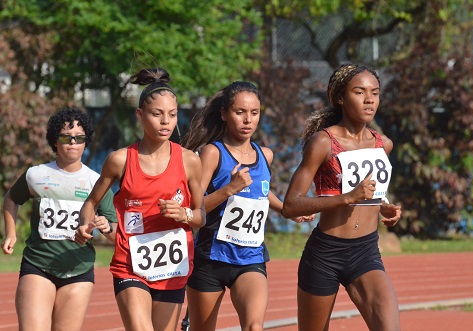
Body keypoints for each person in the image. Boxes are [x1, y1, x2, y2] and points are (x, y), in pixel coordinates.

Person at [74, 67, 205, 331]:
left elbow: (201, 215)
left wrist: (184, 214)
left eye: (171, 115)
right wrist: (85, 225)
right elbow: (91, 202)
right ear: (140, 115)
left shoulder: (190, 161)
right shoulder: (120, 160)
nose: (165, 122)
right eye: (157, 114)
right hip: (129, 264)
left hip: (172, 267)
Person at [181, 81, 313, 331]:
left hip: (250, 258)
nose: (247, 120)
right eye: (240, 112)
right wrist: (229, 189)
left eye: (254, 113)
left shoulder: (266, 155)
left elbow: (260, 191)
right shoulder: (212, 153)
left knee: (254, 326)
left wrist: (286, 211)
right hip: (211, 259)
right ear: (224, 114)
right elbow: (194, 208)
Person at [282, 63, 402, 331]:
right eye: (359, 92)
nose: (369, 99)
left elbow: (370, 192)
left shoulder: (384, 144)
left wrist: (384, 207)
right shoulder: (323, 142)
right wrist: (347, 198)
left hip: (366, 252)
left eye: (375, 92)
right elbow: (291, 205)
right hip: (326, 254)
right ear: (340, 98)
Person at [1, 108, 118, 331]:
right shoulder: (36, 175)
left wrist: (105, 226)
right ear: (55, 141)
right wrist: (11, 234)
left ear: (86, 142)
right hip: (38, 266)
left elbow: (115, 233)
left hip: (79, 271)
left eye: (79, 138)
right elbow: (11, 200)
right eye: (66, 137)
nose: (72, 142)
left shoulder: (97, 182)